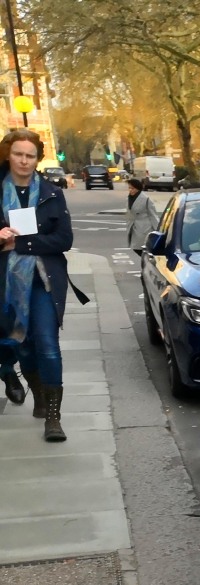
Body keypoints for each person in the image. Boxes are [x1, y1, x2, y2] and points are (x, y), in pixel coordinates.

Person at [0, 129, 76, 442]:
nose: (24, 160)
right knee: (21, 345)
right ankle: (35, 391)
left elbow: (64, 240)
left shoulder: (51, 193)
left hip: (42, 280)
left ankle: (54, 418)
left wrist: (22, 244)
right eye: (18, 153)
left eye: (30, 155)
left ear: (37, 158)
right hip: (5, 283)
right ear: (8, 154)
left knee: (47, 344)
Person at [124, 177, 160, 258]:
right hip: (133, 227)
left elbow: (153, 215)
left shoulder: (145, 199)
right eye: (129, 188)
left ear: (138, 189)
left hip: (144, 228)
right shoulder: (128, 198)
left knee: (141, 248)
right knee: (136, 247)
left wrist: (158, 229)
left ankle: (147, 262)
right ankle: (147, 261)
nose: (130, 190)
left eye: (132, 188)